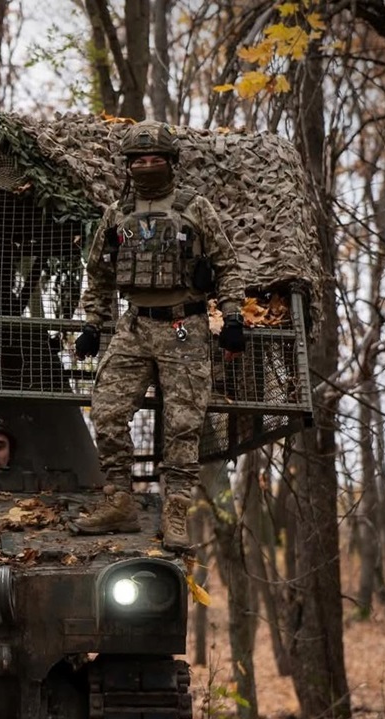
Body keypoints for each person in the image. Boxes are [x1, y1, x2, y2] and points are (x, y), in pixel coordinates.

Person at [71, 121, 245, 552]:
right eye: (139, 159)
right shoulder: (117, 214)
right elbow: (98, 274)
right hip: (134, 326)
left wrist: (232, 317)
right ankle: (119, 501)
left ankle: (176, 512)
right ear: (128, 165)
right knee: (107, 412)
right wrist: (93, 323)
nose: (147, 166)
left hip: (184, 328)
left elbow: (227, 266)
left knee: (184, 424)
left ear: (171, 162)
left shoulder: (195, 208)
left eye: (155, 158)